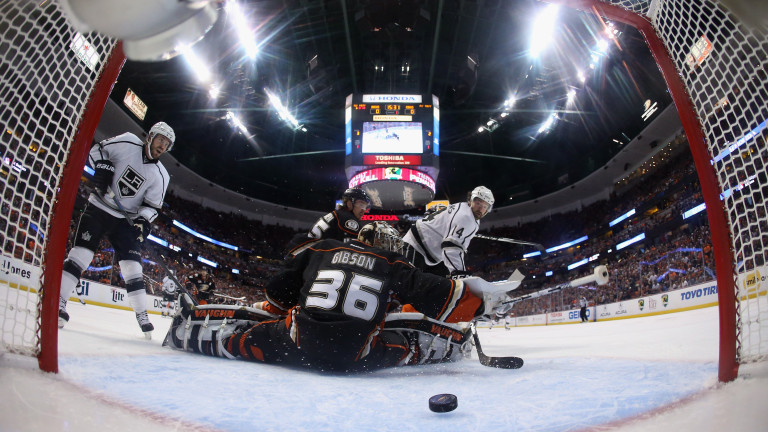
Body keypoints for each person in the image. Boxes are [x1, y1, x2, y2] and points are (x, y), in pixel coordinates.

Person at [164, 222, 512, 371]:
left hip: (297, 345)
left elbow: (276, 299)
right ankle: (455, 347)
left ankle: (187, 330)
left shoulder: (322, 247)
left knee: (248, 335)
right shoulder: (391, 262)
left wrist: (275, 309)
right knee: (410, 340)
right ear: (382, 243)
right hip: (355, 357)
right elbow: (440, 298)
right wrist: (483, 302)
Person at [58, 122, 175, 338]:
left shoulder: (162, 175)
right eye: (160, 139)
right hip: (100, 206)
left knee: (133, 268)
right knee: (81, 255)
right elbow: (97, 151)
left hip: (125, 220)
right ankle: (59, 302)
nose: (162, 146)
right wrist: (102, 167)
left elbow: (152, 207)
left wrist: (143, 222)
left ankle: (142, 315)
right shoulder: (128, 141)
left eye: (167, 144)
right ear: (150, 136)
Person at [402, 186, 494, 277]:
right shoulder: (466, 217)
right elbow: (450, 247)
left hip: (423, 249)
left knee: (433, 286)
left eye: (485, 206)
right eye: (478, 203)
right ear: (470, 200)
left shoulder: (467, 211)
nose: (481, 209)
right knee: (407, 285)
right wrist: (460, 274)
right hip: (416, 245)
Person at [285, 187, 372, 256]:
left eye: (365, 206)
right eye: (361, 204)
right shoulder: (348, 219)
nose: (363, 210)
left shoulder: (339, 214)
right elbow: (353, 249)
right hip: (306, 256)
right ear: (349, 203)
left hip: (301, 253)